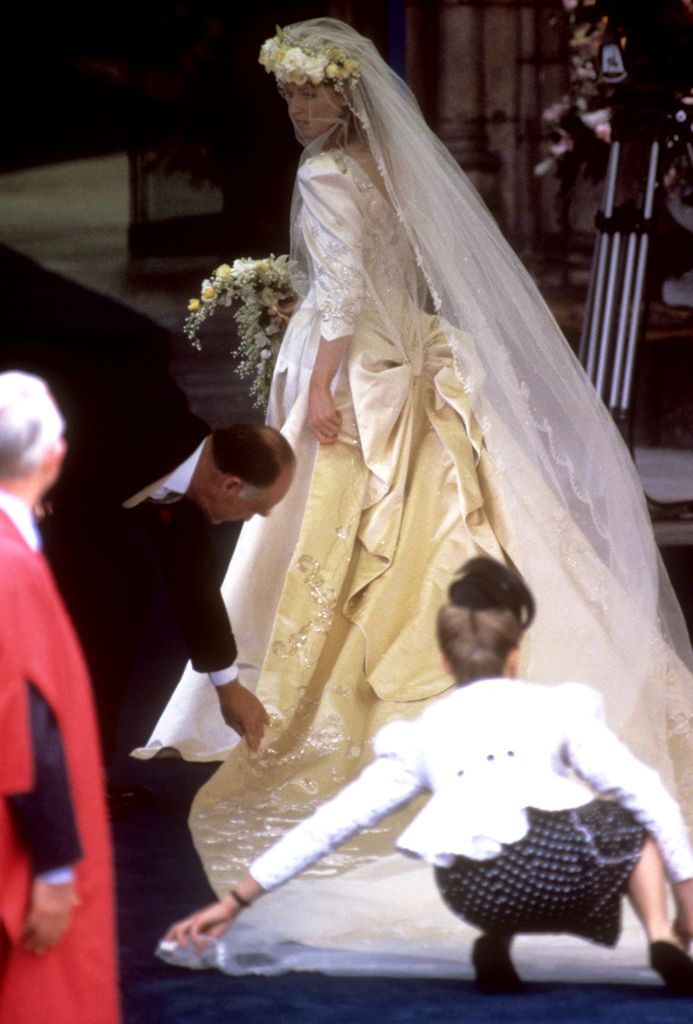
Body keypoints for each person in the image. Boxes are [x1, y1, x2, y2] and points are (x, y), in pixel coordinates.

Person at [139, 17, 693, 973]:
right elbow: (380, 271)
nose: (303, 109)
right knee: (423, 523)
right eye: (292, 96)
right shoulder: (379, 165)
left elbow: (349, 287)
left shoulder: (323, 173)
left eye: (316, 93)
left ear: (347, 94)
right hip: (400, 358)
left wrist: (317, 385)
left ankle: (317, 707)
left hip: (358, 371)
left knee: (344, 535)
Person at [164, 557, 693, 995]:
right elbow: (650, 798)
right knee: (627, 816)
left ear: (444, 663)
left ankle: (498, 935)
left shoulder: (420, 735)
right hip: (568, 874)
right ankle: (662, 934)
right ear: (515, 656)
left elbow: (332, 825)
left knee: (481, 833)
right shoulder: (563, 708)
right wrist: (687, 904)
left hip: (476, 889)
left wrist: (234, 901)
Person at [0, 371, 119, 1023]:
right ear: (54, 457)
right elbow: (27, 725)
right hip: (15, 847)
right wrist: (52, 869)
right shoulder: (12, 568)